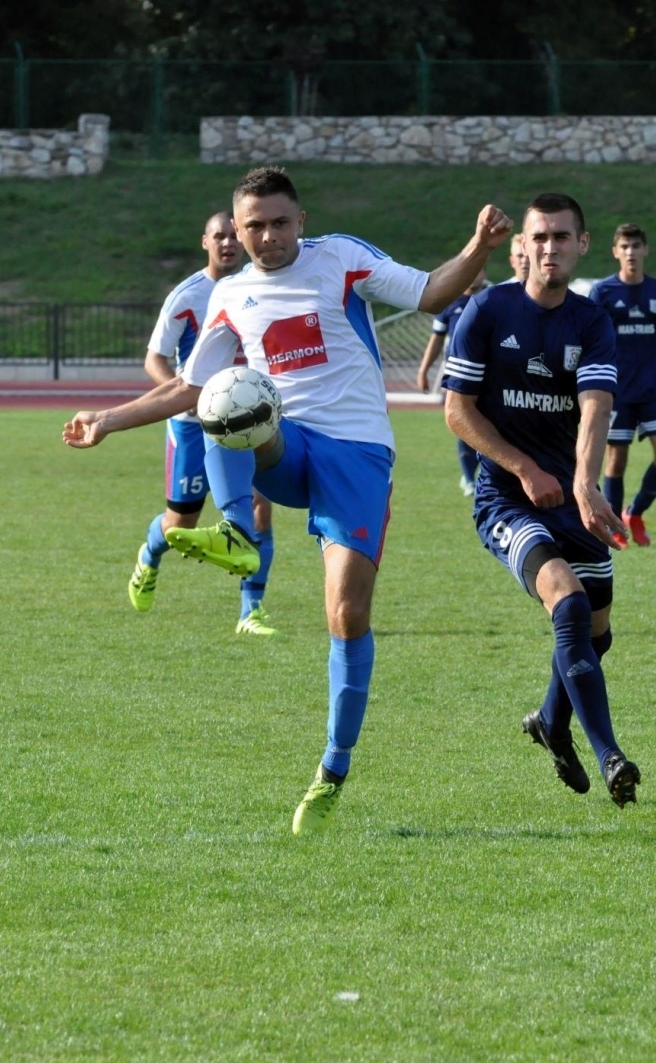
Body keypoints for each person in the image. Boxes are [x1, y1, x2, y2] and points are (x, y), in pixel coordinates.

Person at [65, 166, 511, 834]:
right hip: (284, 447)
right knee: (227, 394)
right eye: (253, 226)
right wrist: (109, 418)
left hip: (357, 454)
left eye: (278, 222)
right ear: (235, 231)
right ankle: (238, 531)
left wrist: (478, 247)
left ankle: (332, 768)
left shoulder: (342, 258)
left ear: (301, 221)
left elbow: (427, 293)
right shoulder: (232, 296)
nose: (267, 237)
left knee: (347, 614)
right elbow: (187, 388)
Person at [440, 192, 642, 808]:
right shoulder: (485, 310)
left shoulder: (591, 321)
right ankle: (611, 756)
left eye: (561, 237)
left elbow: (595, 405)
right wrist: (523, 468)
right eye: (539, 238)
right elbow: (457, 412)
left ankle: (551, 723)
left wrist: (584, 484)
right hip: (506, 497)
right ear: (521, 247)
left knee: (595, 633)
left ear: (583, 245)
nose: (549, 248)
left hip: (568, 498)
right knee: (571, 603)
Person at [127, 211, 279, 635]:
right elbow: (155, 357)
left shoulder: (257, 287)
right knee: (182, 524)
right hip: (192, 424)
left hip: (245, 419)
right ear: (205, 242)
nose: (228, 243)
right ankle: (150, 555)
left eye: (234, 235)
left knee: (257, 508)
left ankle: (251, 611)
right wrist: (187, 394)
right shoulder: (188, 295)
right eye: (220, 237)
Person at [587, 223, 656, 547]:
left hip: (652, 388)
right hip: (616, 390)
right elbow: (590, 340)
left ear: (645, 250)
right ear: (615, 252)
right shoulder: (602, 292)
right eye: (624, 247)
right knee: (617, 460)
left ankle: (635, 511)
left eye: (636, 246)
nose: (630, 252)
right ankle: (614, 526)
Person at [414, 269, 488, 496]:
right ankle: (468, 478)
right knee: (464, 425)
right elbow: (436, 340)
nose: (476, 274)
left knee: (490, 428)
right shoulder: (450, 303)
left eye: (481, 269)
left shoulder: (492, 299)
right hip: (458, 377)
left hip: (489, 375)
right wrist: (424, 370)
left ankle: (485, 476)